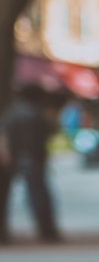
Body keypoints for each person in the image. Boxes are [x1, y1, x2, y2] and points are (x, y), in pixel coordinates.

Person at [0, 84, 61, 243]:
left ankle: (4, 233)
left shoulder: (13, 112)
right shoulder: (36, 113)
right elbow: (52, 130)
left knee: (7, 195)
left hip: (16, 157)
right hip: (32, 157)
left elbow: (5, 134)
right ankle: (47, 231)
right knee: (38, 194)